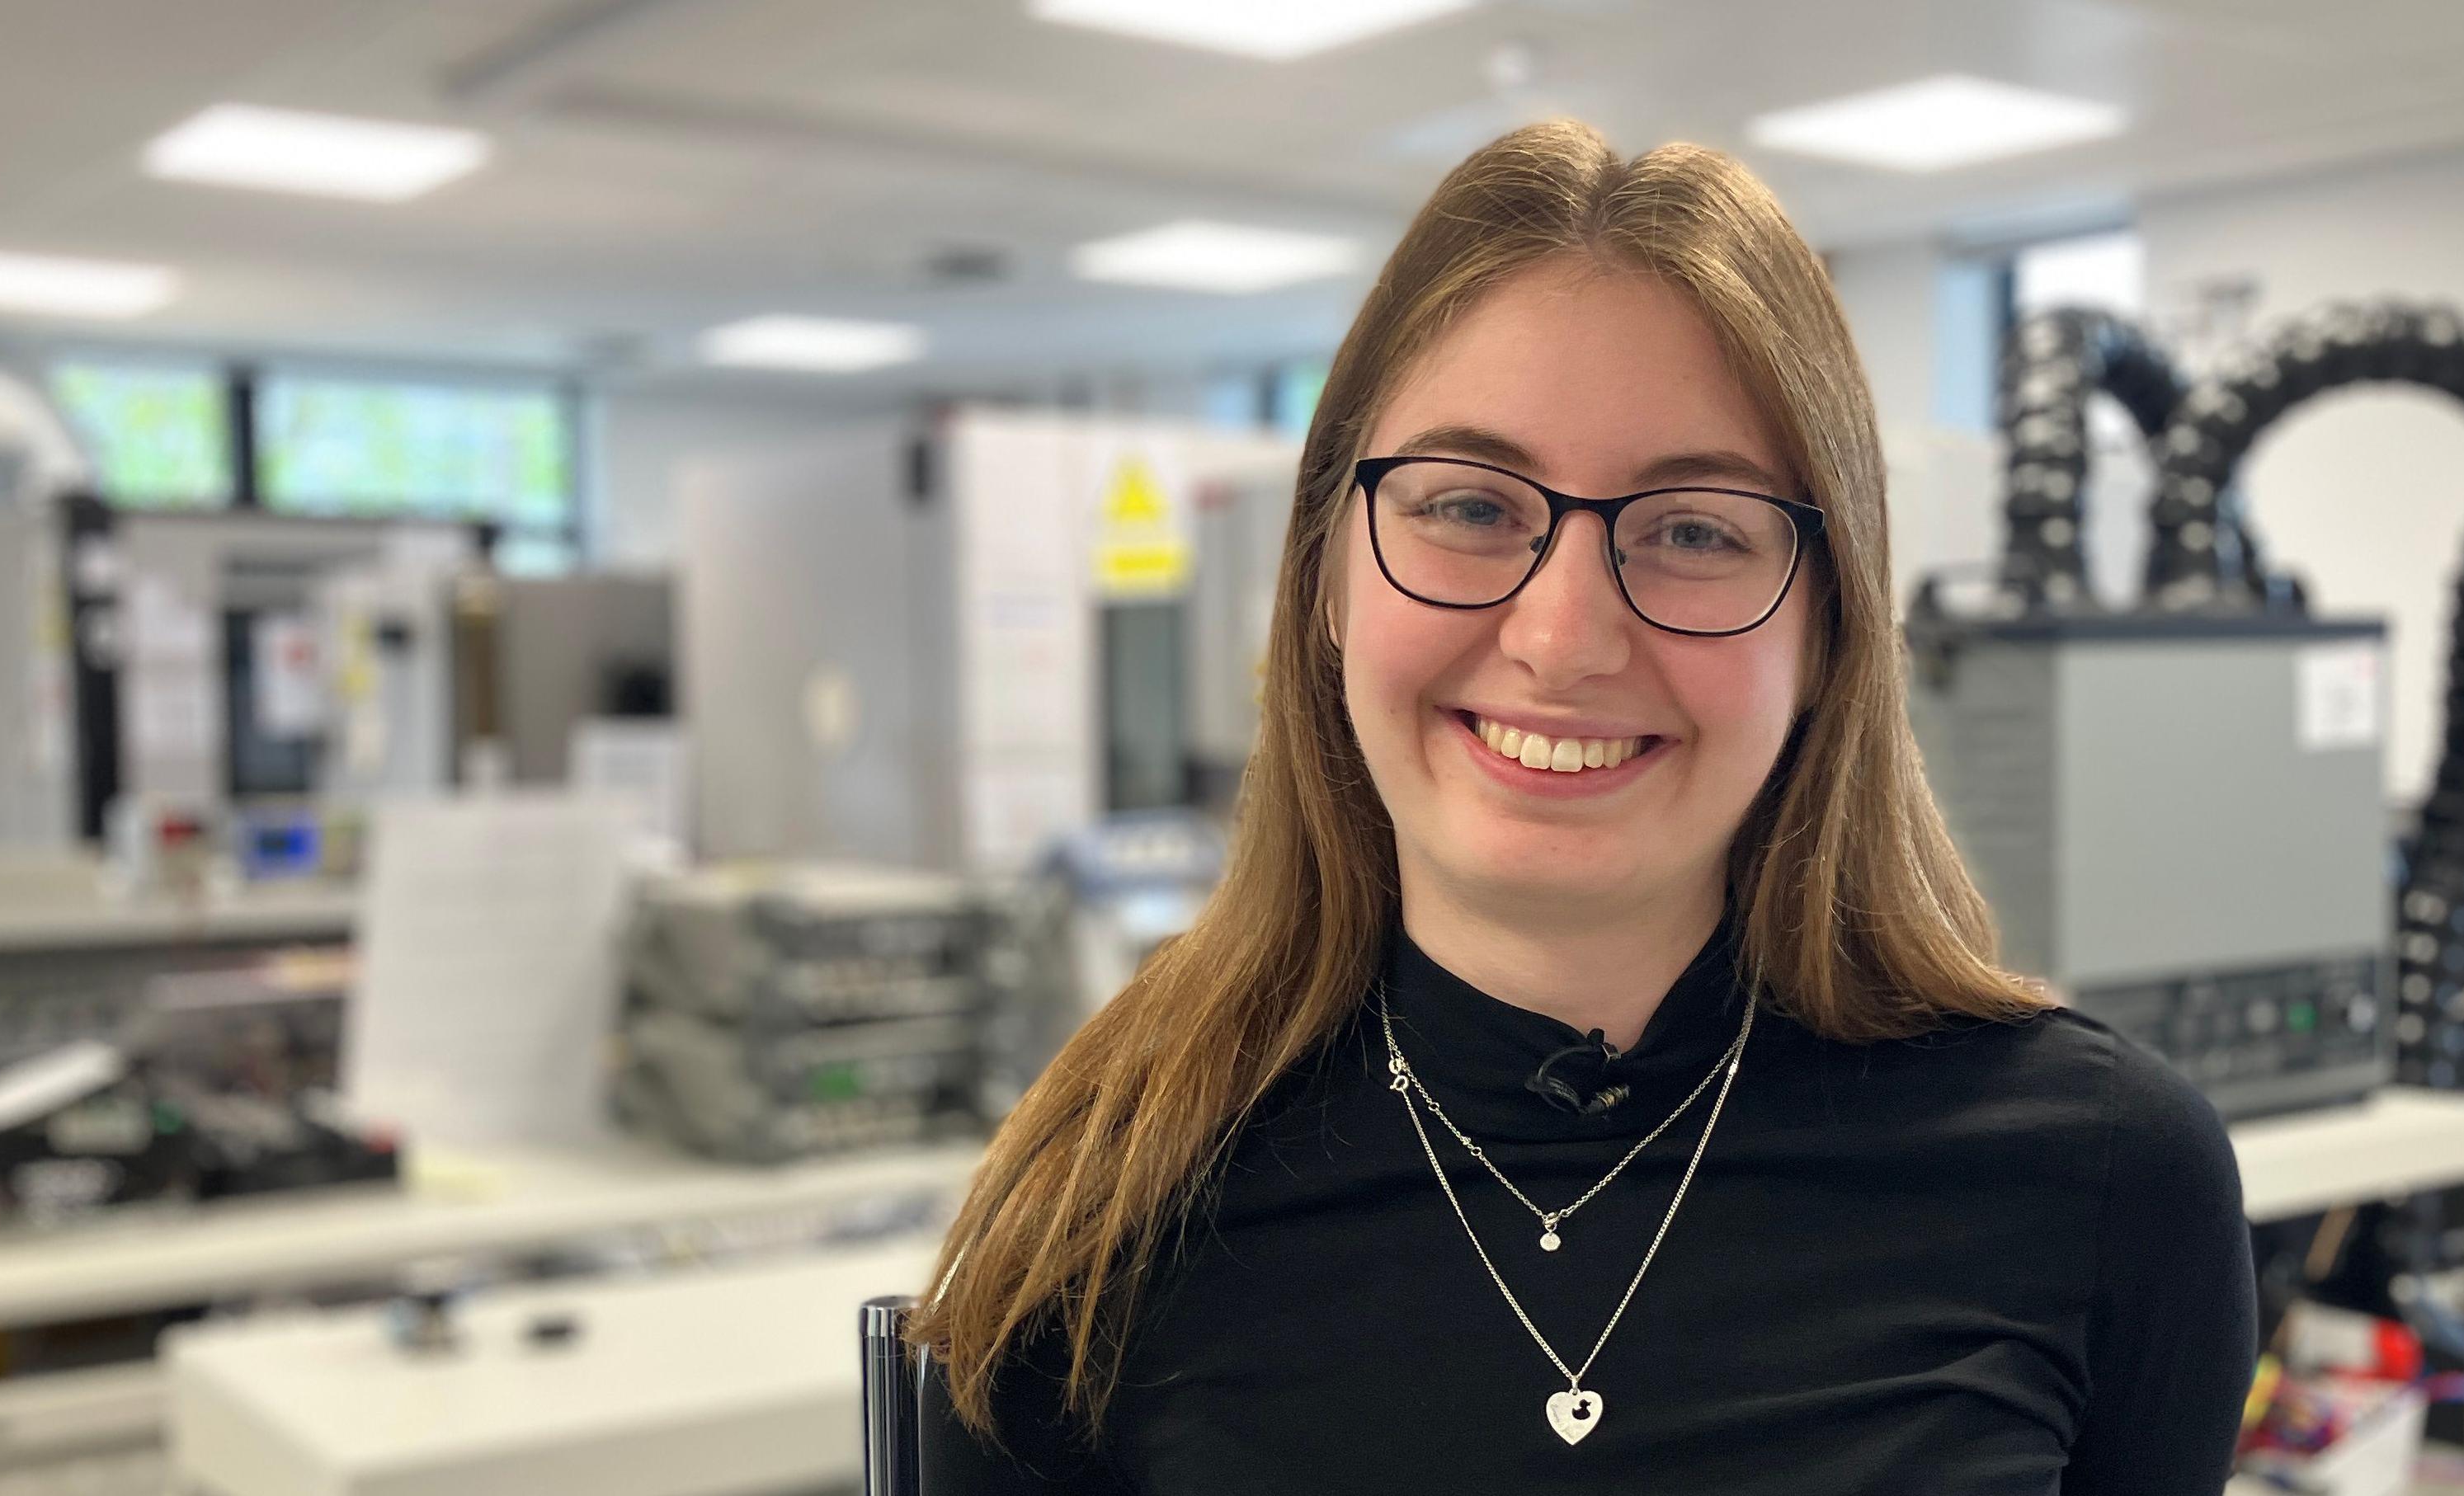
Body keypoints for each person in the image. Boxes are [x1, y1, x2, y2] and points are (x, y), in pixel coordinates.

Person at [908, 119, 2254, 1494]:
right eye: (1468, 506)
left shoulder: (2102, 1179)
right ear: (1324, 580)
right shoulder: (1096, 1202)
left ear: (1830, 635)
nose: (1562, 638)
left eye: (1692, 530)